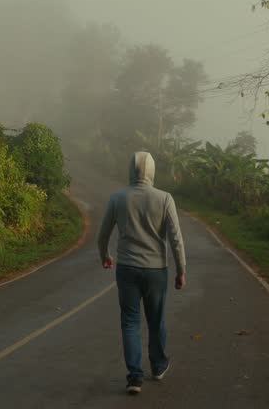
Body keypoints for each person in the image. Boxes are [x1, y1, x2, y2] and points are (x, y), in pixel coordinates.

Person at [97, 151, 187, 395]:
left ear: (130, 170)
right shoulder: (165, 198)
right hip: (156, 270)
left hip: (126, 269)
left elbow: (103, 234)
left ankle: (134, 377)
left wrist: (105, 255)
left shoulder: (117, 198)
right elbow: (176, 238)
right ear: (152, 172)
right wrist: (181, 270)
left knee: (130, 322)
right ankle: (158, 366)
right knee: (156, 319)